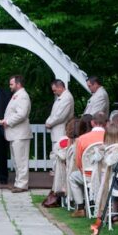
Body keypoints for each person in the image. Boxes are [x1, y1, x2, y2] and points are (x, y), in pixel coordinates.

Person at [43, 79, 75, 207]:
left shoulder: (67, 98)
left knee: (59, 161)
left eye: (55, 89)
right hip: (56, 131)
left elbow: (60, 115)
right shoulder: (61, 97)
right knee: (56, 161)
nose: (54, 91)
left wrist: (49, 123)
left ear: (60, 87)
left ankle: (59, 190)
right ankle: (57, 188)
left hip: (61, 132)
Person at [70, 112, 107, 217]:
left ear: (92, 123)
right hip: (108, 175)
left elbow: (78, 162)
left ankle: (81, 208)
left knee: (72, 177)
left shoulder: (82, 139)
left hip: (89, 175)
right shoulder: (112, 137)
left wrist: (83, 170)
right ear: (106, 123)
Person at [1, 74, 32, 192]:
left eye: (11, 84)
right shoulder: (17, 95)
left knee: (21, 160)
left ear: (18, 84)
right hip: (15, 134)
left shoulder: (23, 96)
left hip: (20, 134)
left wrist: (7, 121)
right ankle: (19, 183)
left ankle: (22, 184)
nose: (10, 86)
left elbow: (22, 114)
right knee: (17, 161)